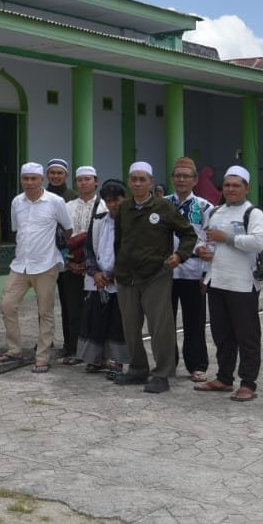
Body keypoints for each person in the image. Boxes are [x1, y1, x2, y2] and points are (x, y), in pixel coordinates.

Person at [112, 162, 198, 394]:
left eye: (143, 179)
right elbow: (119, 241)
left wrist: (179, 256)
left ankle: (162, 374)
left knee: (160, 327)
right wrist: (116, 268)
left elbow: (188, 234)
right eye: (134, 179)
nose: (138, 183)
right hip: (127, 276)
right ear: (129, 182)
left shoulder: (164, 207)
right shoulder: (125, 208)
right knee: (130, 326)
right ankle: (138, 369)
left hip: (156, 275)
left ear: (151, 182)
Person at [195, 166, 263, 402]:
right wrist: (202, 252)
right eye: (227, 185)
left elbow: (259, 242)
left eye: (236, 185)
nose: (231, 189)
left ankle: (248, 383)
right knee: (222, 335)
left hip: (243, 284)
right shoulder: (215, 212)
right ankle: (224, 378)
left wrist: (226, 238)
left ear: (247, 188)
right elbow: (202, 239)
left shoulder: (253, 213)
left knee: (247, 336)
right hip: (217, 282)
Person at [0, 162, 71, 371]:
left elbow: (69, 229)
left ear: (42, 180)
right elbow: (17, 230)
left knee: (45, 311)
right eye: (25, 179)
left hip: (46, 265)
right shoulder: (16, 202)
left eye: (33, 179)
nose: (29, 183)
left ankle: (43, 356)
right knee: (7, 304)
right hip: (20, 265)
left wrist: (62, 254)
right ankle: (14, 350)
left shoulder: (55, 202)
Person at [76, 179, 130, 377]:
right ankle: (97, 359)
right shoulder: (99, 219)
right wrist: (95, 272)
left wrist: (113, 274)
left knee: (118, 322)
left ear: (125, 199)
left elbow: (129, 252)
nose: (113, 204)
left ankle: (117, 361)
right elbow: (89, 248)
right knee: (95, 320)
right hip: (98, 281)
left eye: (117, 200)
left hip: (120, 282)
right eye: (108, 200)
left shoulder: (131, 222)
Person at [168, 157, 213, 383]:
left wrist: (207, 273)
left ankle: (197, 364)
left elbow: (209, 242)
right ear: (172, 178)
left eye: (187, 176)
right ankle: (167, 362)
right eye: (178, 175)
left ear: (195, 180)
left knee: (194, 320)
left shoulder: (205, 207)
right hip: (166, 272)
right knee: (165, 320)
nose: (182, 179)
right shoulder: (163, 204)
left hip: (193, 271)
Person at [59, 164, 100, 365]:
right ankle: (73, 349)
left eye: (88, 179)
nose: (84, 183)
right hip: (71, 266)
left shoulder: (102, 207)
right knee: (72, 310)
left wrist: (90, 264)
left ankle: (95, 352)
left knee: (95, 310)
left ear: (96, 181)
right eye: (80, 180)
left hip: (96, 269)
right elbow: (60, 237)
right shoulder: (68, 206)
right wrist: (69, 262)